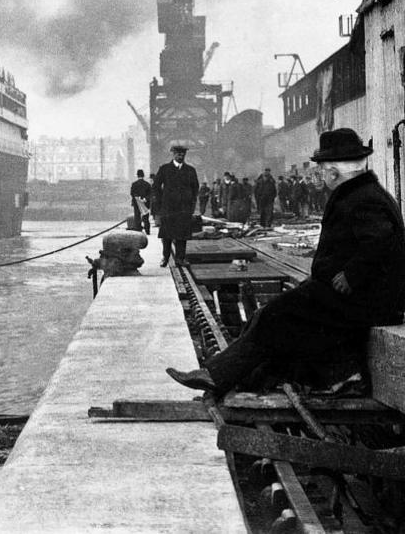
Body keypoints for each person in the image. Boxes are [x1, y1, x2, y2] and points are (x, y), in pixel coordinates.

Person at [166, 128, 405, 395]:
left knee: (273, 316)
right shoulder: (361, 194)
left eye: (324, 168)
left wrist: (351, 275)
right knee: (272, 317)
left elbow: (380, 240)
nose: (320, 174)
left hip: (364, 299)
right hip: (356, 294)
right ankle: (240, 379)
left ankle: (218, 376)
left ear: (336, 171)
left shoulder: (362, 199)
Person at [151, 143, 199, 267]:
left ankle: (180, 259)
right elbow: (156, 186)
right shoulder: (165, 169)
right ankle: (165, 257)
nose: (180, 155)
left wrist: (191, 203)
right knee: (166, 235)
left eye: (182, 153)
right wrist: (162, 201)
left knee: (182, 236)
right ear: (173, 154)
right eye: (178, 153)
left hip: (184, 208)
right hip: (168, 208)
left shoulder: (190, 170)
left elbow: (195, 188)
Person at [130, 169, 153, 235]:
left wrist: (137, 198)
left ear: (137, 175)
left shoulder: (134, 184)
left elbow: (132, 193)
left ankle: (138, 229)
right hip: (145, 203)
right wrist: (145, 199)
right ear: (143, 175)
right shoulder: (147, 184)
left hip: (136, 203)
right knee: (146, 217)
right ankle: (147, 230)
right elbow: (150, 194)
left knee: (137, 216)